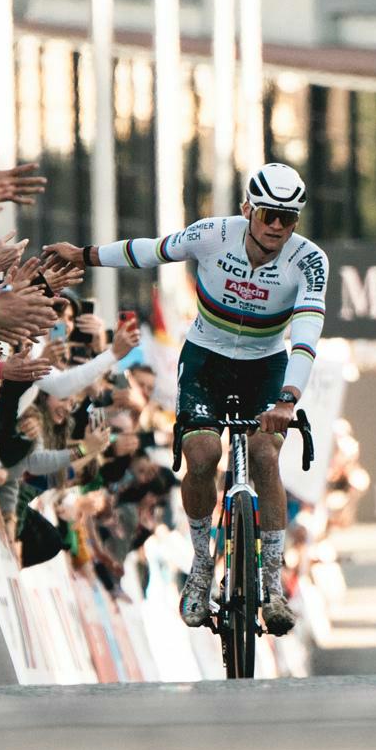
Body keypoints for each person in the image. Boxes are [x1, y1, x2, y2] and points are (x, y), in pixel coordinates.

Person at [43, 160, 326, 637]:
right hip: (206, 358)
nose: (277, 226)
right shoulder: (214, 234)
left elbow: (306, 335)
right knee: (202, 454)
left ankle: (273, 583)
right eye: (268, 215)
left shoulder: (309, 260)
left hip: (266, 367)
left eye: (288, 218)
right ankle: (200, 566)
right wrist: (85, 255)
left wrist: (287, 399)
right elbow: (149, 251)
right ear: (247, 210)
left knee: (264, 455)